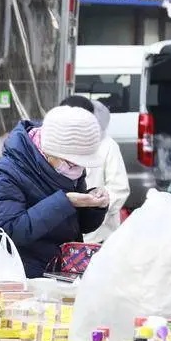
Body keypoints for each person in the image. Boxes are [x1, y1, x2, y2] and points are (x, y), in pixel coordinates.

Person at [0, 105, 109, 278]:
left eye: (80, 164)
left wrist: (94, 206)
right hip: (20, 277)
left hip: (63, 273)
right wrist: (65, 202)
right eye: (71, 162)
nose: (75, 169)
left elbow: (81, 226)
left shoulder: (70, 169)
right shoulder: (8, 172)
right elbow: (7, 232)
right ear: (48, 150)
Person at [59, 96, 130, 242]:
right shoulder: (55, 144)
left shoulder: (108, 146)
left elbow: (119, 188)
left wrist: (96, 204)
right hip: (63, 231)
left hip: (99, 235)